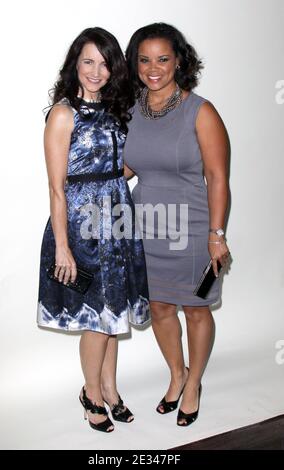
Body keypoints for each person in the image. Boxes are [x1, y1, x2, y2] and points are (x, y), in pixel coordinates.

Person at [37, 27, 150, 433]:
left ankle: (110, 388)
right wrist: (63, 248)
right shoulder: (63, 114)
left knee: (113, 314)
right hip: (83, 229)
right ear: (75, 64)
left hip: (118, 221)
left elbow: (122, 165)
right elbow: (56, 187)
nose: (96, 71)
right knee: (96, 319)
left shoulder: (119, 109)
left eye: (104, 63)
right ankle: (90, 393)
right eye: (88, 61)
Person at [124, 23, 230, 426]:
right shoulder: (132, 110)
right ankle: (176, 375)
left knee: (196, 309)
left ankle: (194, 383)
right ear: (135, 64)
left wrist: (216, 235)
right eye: (145, 59)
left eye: (163, 59)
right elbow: (131, 167)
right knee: (159, 308)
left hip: (192, 227)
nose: (154, 68)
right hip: (145, 227)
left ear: (179, 61)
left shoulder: (199, 111)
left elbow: (218, 177)